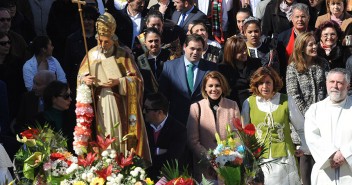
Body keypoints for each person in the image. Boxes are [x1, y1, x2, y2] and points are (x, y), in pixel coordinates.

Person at [78, 12, 151, 161]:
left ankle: (120, 162)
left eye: (106, 42)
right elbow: (80, 78)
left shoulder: (123, 55)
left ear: (113, 39)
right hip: (99, 102)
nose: (103, 45)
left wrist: (120, 82)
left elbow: (137, 80)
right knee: (101, 133)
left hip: (119, 103)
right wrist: (86, 80)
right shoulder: (91, 54)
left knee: (116, 134)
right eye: (100, 41)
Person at [242, 66, 308, 185]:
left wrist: (303, 146)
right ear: (256, 85)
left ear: (274, 83)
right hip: (260, 159)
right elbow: (245, 133)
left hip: (285, 158)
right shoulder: (248, 103)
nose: (265, 86)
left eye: (268, 82)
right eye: (261, 83)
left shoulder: (286, 100)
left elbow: (301, 127)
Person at [286, 32, 329, 185]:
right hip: (302, 121)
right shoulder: (293, 68)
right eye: (310, 44)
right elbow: (294, 95)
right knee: (305, 161)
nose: (314, 46)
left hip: (323, 119)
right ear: (301, 47)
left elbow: (328, 89)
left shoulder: (322, 64)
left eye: (315, 43)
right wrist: (310, 116)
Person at [187, 71, 240, 182]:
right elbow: (193, 141)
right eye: (210, 86)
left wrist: (228, 157)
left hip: (228, 169)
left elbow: (237, 135)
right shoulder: (196, 108)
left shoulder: (233, 105)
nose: (214, 89)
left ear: (223, 87)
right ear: (205, 88)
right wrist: (211, 160)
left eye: (217, 85)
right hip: (205, 171)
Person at [305, 68, 352, 185]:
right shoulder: (315, 109)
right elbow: (312, 137)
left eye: (340, 82)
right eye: (331, 82)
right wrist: (331, 154)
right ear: (326, 83)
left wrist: (345, 153)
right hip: (325, 171)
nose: (335, 86)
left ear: (348, 86)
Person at [158, 34, 217, 125]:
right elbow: (163, 95)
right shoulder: (170, 66)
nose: (195, 52)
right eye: (192, 48)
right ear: (184, 47)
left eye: (199, 49)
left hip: (203, 120)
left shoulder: (211, 68)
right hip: (176, 120)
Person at [144, 92, 187, 181]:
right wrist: (158, 151)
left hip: (168, 178)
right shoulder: (143, 127)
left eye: (147, 109)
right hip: (146, 176)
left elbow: (172, 158)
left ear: (159, 112)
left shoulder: (178, 129)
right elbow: (141, 153)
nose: (144, 112)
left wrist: (150, 153)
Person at [63, 5, 99, 104]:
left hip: (98, 82)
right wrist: (78, 79)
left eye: (90, 19)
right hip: (78, 83)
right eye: (84, 19)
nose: (87, 22)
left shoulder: (101, 39)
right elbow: (68, 65)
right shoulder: (72, 39)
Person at [218, 35, 262, 110]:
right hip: (234, 105)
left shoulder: (255, 63)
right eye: (240, 51)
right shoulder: (223, 69)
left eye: (245, 49)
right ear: (232, 53)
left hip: (254, 103)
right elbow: (226, 91)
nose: (244, 52)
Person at [32, 81, 75, 150]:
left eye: (70, 96)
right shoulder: (39, 119)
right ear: (53, 98)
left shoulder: (73, 116)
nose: (70, 99)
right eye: (66, 96)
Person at [137, 27, 171, 95]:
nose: (154, 44)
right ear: (144, 43)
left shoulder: (170, 55)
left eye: (156, 40)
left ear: (160, 40)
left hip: (168, 96)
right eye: (150, 41)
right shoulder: (141, 59)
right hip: (149, 99)